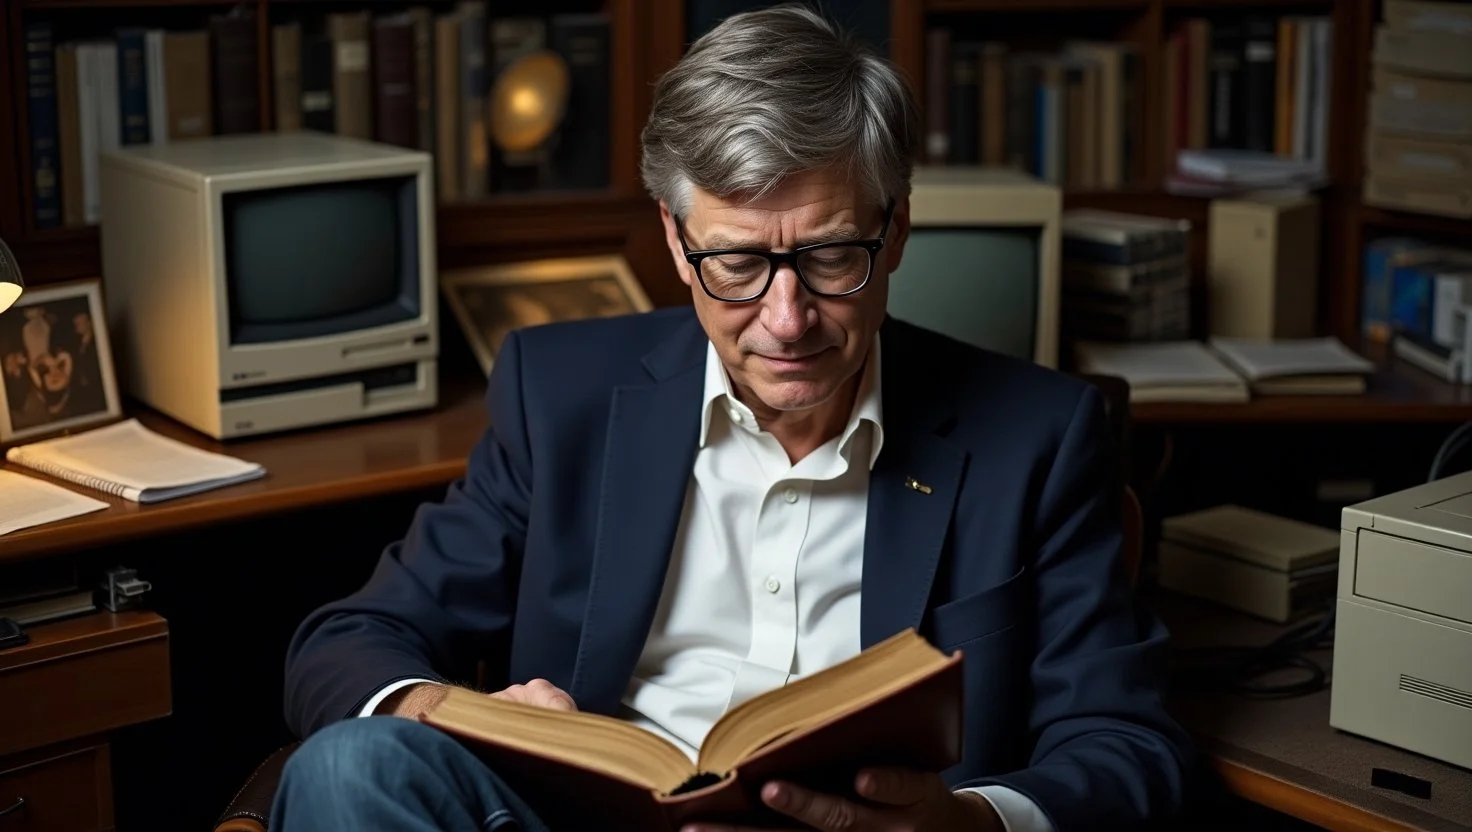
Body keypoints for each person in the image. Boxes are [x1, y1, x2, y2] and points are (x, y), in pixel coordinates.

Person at [273, 5, 1191, 831]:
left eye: (833, 257)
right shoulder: (559, 395)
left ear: (898, 228)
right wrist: (447, 713)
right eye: (738, 264)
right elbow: (348, 643)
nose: (787, 321)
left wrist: (970, 825)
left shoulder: (1039, 434)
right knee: (352, 769)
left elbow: (1126, 745)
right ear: (677, 242)